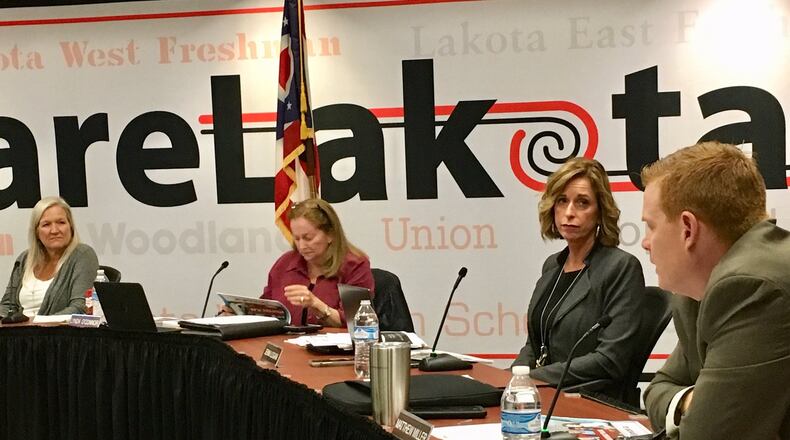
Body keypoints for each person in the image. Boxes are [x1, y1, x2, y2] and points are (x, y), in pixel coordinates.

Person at [641, 142, 790, 439]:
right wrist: (688, 402)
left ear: (687, 229)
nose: (645, 243)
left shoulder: (751, 287)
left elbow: (706, 434)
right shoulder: (699, 291)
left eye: (651, 226)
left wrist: (699, 408)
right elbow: (658, 388)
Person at [512, 158, 645, 402]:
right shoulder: (552, 265)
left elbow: (610, 360)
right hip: (543, 394)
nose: (570, 212)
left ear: (600, 211)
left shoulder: (621, 267)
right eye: (562, 201)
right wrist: (511, 381)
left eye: (582, 203)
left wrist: (533, 378)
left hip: (590, 401)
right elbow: (533, 346)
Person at [261, 198, 373, 327]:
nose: (302, 246)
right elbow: (266, 309)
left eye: (308, 238)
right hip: (285, 343)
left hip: (334, 346)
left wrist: (316, 304)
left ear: (330, 234)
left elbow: (358, 323)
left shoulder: (355, 265)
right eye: (296, 239)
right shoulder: (285, 263)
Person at [0, 196, 99, 318]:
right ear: (36, 231)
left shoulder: (83, 255)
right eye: (46, 224)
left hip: (59, 334)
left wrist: (36, 323)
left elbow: (80, 307)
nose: (54, 230)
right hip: (19, 334)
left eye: (61, 223)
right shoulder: (25, 258)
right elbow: (7, 306)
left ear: (71, 226)